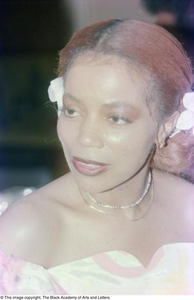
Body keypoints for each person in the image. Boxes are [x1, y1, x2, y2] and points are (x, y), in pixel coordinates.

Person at [0, 19, 194, 295]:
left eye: (116, 118)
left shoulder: (189, 208)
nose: (85, 138)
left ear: (165, 125)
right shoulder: (24, 233)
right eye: (71, 110)